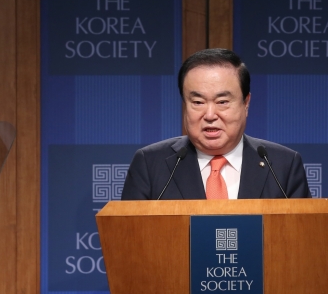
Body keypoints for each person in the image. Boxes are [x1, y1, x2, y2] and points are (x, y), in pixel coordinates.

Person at [121, 48, 311, 200]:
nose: (210, 115)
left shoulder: (282, 166)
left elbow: (301, 240)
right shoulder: (150, 164)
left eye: (222, 102)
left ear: (246, 104)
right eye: (198, 102)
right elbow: (129, 241)